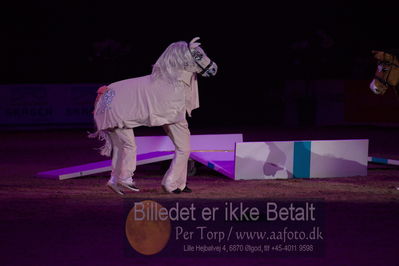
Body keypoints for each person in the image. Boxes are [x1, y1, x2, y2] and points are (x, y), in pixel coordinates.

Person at [90, 38, 217, 195]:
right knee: (181, 147)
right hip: (129, 111)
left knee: (122, 146)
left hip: (114, 107)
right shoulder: (171, 87)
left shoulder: (172, 79)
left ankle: (116, 180)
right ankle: (165, 182)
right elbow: (167, 109)